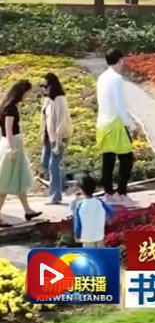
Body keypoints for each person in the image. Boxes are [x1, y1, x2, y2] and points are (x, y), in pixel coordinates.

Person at [96, 49, 136, 206]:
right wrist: (130, 124)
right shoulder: (116, 79)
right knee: (126, 159)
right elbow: (120, 105)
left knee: (108, 159)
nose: (123, 62)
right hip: (116, 123)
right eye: (122, 59)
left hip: (103, 123)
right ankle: (121, 192)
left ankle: (108, 192)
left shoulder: (102, 77)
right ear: (119, 60)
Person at [0, 81, 42, 227]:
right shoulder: (10, 108)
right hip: (12, 145)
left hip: (12, 144)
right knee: (5, 183)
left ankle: (28, 210)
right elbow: (8, 130)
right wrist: (12, 149)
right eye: (27, 93)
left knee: (18, 180)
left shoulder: (7, 106)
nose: (27, 96)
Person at [40, 73, 72, 205]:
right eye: (42, 86)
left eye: (46, 86)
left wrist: (58, 140)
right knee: (45, 163)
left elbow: (61, 121)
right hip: (48, 137)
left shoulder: (60, 99)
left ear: (53, 86)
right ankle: (61, 185)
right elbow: (45, 120)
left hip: (59, 137)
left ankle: (55, 196)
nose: (44, 89)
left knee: (53, 165)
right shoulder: (47, 100)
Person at [72, 176, 113, 248]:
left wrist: (77, 234)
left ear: (81, 190)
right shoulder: (99, 202)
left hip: (86, 237)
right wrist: (107, 221)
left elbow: (78, 222)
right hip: (99, 235)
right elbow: (111, 212)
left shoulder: (80, 204)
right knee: (100, 252)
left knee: (89, 254)